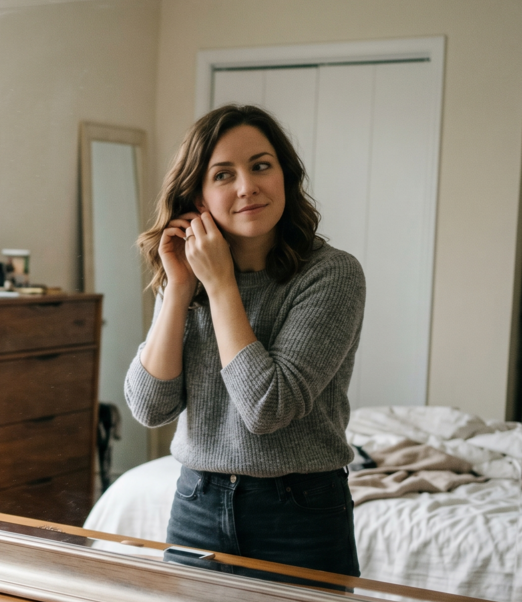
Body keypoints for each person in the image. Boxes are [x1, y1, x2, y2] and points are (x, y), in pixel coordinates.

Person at [125, 104, 365, 577]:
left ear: (285, 176)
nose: (246, 187)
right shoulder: (186, 274)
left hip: (301, 515)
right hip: (196, 503)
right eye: (223, 174)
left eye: (261, 166)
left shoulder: (332, 274)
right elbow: (150, 408)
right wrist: (177, 291)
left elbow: (267, 408)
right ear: (198, 197)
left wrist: (220, 287)